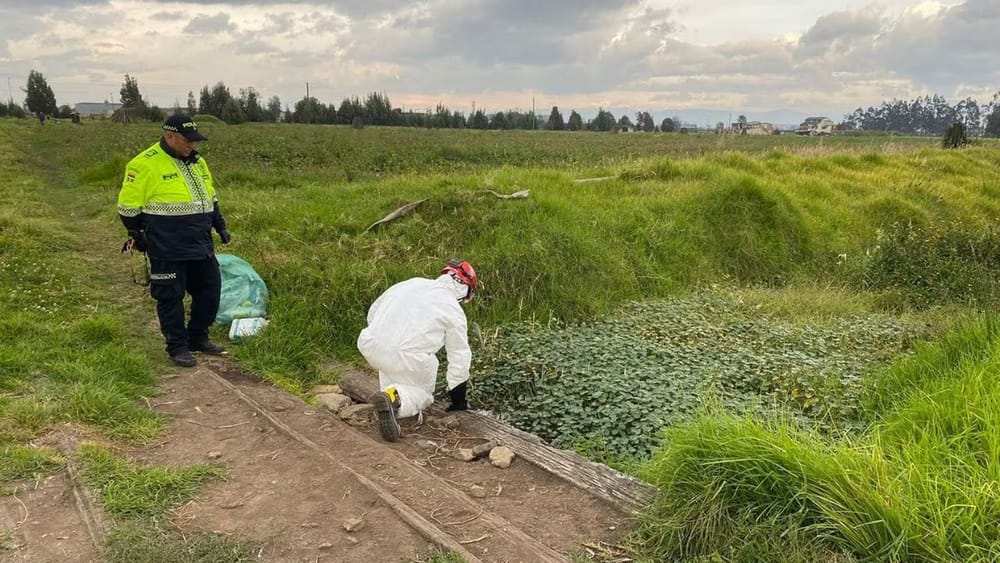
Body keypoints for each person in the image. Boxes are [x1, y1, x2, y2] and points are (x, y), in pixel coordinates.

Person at [117, 114, 231, 367]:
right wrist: (137, 234)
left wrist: (219, 226)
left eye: (195, 140)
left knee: (210, 291)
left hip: (200, 243)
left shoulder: (197, 162)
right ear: (170, 136)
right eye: (188, 140)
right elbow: (127, 207)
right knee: (170, 297)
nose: (193, 145)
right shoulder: (143, 164)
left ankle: (198, 337)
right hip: (166, 244)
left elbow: (210, 198)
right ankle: (177, 346)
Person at [357, 260, 478, 442]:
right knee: (423, 389)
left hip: (369, 343)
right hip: (406, 357)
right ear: (465, 289)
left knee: (392, 364)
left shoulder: (411, 283)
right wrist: (458, 399)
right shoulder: (454, 310)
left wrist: (384, 336)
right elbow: (459, 356)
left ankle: (390, 401)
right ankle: (393, 399)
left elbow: (374, 310)